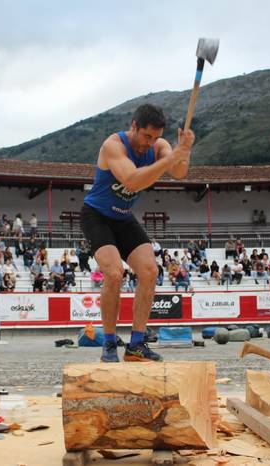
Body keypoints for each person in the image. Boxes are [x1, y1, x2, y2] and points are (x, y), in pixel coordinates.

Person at [80, 104, 194, 362]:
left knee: (150, 271)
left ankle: (136, 344)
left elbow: (179, 172)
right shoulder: (113, 146)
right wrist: (170, 158)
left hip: (123, 217)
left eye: (155, 138)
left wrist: (184, 150)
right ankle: (109, 343)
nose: (149, 143)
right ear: (134, 126)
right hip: (96, 216)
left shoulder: (159, 146)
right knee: (114, 273)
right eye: (146, 136)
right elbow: (132, 180)